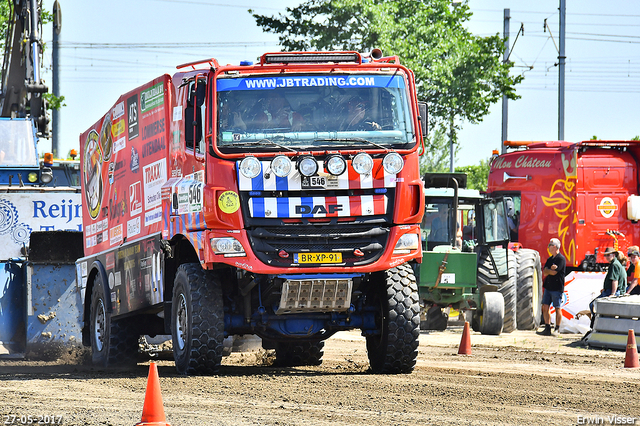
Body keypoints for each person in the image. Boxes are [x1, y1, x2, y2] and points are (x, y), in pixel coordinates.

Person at [589, 247, 627, 323]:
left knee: (593, 305)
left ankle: (597, 322)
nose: (606, 257)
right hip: (609, 290)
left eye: (608, 255)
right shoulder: (615, 264)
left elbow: (615, 280)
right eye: (605, 255)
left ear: (613, 255)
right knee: (605, 310)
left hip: (612, 292)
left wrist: (612, 293)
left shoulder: (614, 265)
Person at [538, 238, 566, 335]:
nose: (548, 248)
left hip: (557, 288)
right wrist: (550, 270)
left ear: (554, 247)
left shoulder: (561, 259)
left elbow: (554, 273)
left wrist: (549, 270)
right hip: (548, 287)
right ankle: (547, 327)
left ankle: (557, 329)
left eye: (549, 246)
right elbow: (545, 272)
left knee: (557, 308)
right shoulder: (550, 259)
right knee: (545, 307)